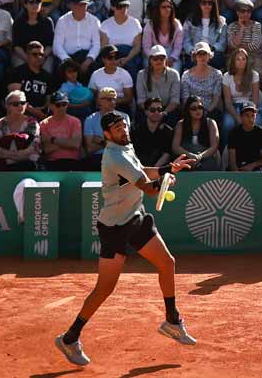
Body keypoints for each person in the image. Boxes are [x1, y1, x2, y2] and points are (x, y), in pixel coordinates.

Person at [54, 111, 199, 367]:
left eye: (124, 125)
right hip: (115, 228)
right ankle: (70, 337)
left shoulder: (125, 147)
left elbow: (141, 172)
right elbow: (149, 189)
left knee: (167, 263)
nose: (123, 130)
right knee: (104, 289)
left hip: (136, 219)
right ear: (107, 134)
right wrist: (166, 181)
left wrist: (167, 169)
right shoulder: (114, 156)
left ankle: (172, 320)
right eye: (116, 128)